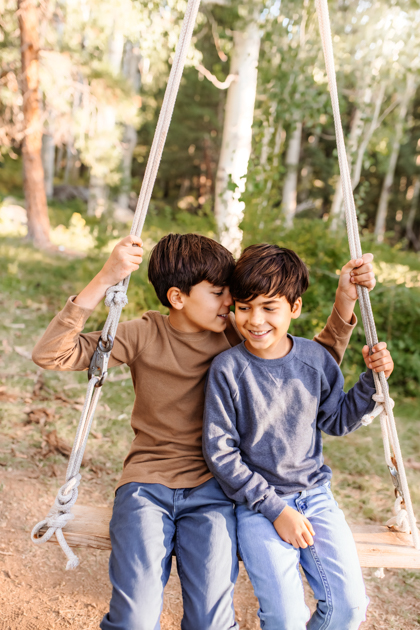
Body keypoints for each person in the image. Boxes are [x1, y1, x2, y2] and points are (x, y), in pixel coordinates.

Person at [32, 233, 377, 630]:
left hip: (214, 489)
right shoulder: (140, 335)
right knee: (136, 620)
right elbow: (51, 353)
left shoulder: (235, 332)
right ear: (178, 298)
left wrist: (345, 302)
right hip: (147, 484)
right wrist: (106, 277)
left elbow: (304, 364)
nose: (231, 303)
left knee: (211, 623)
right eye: (218, 293)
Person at [203, 243, 394, 630]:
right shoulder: (228, 369)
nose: (255, 320)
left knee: (350, 608)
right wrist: (276, 510)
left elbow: (337, 420)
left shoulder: (314, 360)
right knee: (285, 617)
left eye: (269, 307)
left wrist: (371, 381)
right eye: (244, 307)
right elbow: (221, 454)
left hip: (316, 498)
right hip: (258, 506)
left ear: (295, 308)